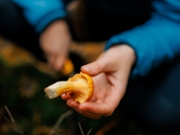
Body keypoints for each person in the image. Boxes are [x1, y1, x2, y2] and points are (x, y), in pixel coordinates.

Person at [1, 0, 180, 134]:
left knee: (165, 112)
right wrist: (49, 19)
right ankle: (69, 61)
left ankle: (119, 79)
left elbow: (175, 17)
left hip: (148, 18)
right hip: (73, 6)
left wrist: (129, 51)